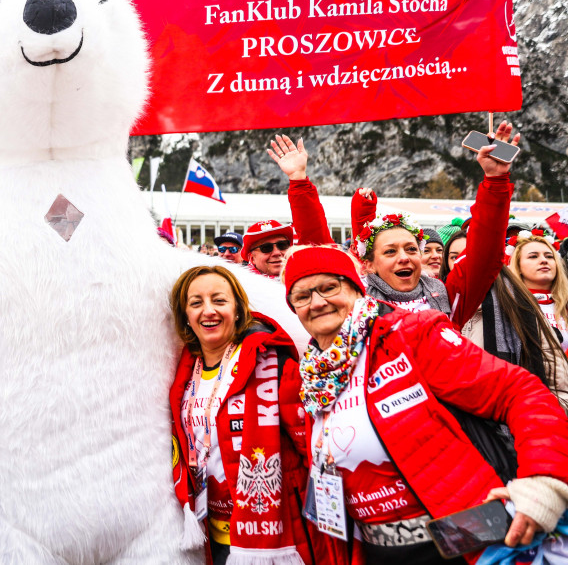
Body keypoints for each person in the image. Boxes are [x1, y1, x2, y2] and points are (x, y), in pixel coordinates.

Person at [283, 245, 568, 564]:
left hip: (460, 542)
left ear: (356, 288)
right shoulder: (312, 377)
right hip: (375, 550)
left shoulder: (410, 334)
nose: (317, 302)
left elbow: (520, 392)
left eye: (329, 287)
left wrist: (544, 480)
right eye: (302, 296)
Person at [168, 265, 314, 565]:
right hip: (211, 533)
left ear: (237, 309)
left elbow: (309, 443)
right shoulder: (182, 373)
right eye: (196, 303)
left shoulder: (270, 360)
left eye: (219, 300)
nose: (208, 311)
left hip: (276, 535)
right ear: (185, 317)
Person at [349, 122, 519, 328]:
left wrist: (495, 180)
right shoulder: (352, 302)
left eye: (411, 249)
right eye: (390, 252)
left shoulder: (448, 298)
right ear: (368, 265)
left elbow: (484, 257)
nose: (404, 258)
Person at [508, 232, 568, 343]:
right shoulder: (506, 304)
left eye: (549, 256)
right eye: (533, 256)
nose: (544, 260)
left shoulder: (566, 303)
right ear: (518, 266)